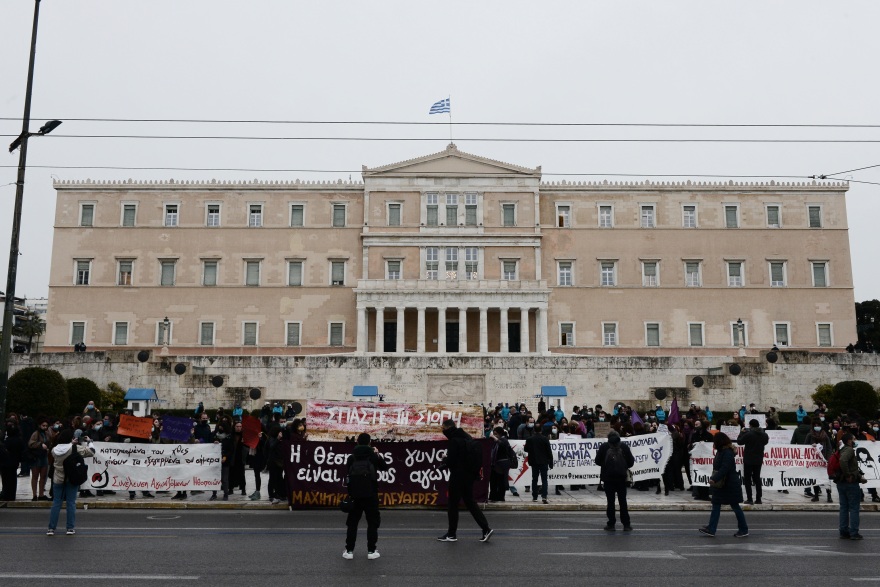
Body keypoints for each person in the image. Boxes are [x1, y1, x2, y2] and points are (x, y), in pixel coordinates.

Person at [437, 419, 493, 543]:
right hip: (469, 476)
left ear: (448, 428)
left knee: (452, 504)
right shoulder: (467, 437)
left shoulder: (454, 440)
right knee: (470, 503)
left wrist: (445, 459)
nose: (443, 431)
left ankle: (451, 534)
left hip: (458, 476)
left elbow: (452, 461)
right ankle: (486, 528)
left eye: (443, 428)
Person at [342, 432, 389, 560]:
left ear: (357, 442)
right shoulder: (373, 457)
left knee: (353, 523)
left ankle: (349, 550)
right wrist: (377, 455)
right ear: (370, 443)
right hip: (371, 494)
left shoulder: (351, 458)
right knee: (372, 523)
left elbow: (348, 474)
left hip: (355, 495)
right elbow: (385, 468)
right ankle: (371, 550)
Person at [699, 432, 749, 538]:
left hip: (729, 485)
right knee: (716, 505)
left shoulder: (727, 453)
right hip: (722, 484)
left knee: (735, 506)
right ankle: (711, 529)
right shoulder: (721, 451)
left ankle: (743, 529)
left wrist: (714, 478)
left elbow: (725, 468)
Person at [47, 428, 95, 536]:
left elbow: (63, 450)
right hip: (71, 479)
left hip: (58, 479)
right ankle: (70, 528)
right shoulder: (75, 448)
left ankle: (51, 528)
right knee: (71, 503)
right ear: (71, 438)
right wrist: (89, 442)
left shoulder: (54, 450)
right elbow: (91, 452)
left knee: (56, 503)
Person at [595, 429, 635, 531]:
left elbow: (597, 461)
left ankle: (611, 524)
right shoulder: (624, 446)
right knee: (623, 501)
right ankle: (626, 524)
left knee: (610, 502)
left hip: (608, 479)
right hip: (621, 479)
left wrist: (606, 466)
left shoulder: (604, 446)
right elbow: (631, 462)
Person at [837, 433, 867, 540]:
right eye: (854, 439)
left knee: (844, 507)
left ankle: (843, 531)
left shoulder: (842, 449)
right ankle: (854, 532)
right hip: (850, 483)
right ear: (849, 441)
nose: (855, 440)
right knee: (854, 508)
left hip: (841, 483)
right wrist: (848, 475)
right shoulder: (849, 450)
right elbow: (843, 461)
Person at [737, 419, 769, 505]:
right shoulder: (764, 435)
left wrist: (742, 433)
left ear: (750, 425)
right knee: (757, 478)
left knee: (747, 479)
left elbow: (739, 442)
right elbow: (765, 442)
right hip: (758, 459)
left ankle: (749, 498)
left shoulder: (749, 434)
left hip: (749, 459)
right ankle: (758, 498)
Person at [524, 426, 554, 504]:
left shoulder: (529, 439)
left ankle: (534, 496)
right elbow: (549, 451)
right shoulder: (545, 439)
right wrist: (551, 462)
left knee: (534, 479)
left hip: (534, 461)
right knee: (544, 480)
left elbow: (526, 449)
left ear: (534, 430)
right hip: (544, 461)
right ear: (541, 430)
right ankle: (544, 496)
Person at [489, 426, 513, 502]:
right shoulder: (495, 442)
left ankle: (500, 496)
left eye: (496, 434)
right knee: (493, 481)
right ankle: (493, 496)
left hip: (501, 464)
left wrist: (495, 438)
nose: (495, 435)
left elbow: (502, 445)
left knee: (501, 481)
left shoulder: (504, 440)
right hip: (495, 464)